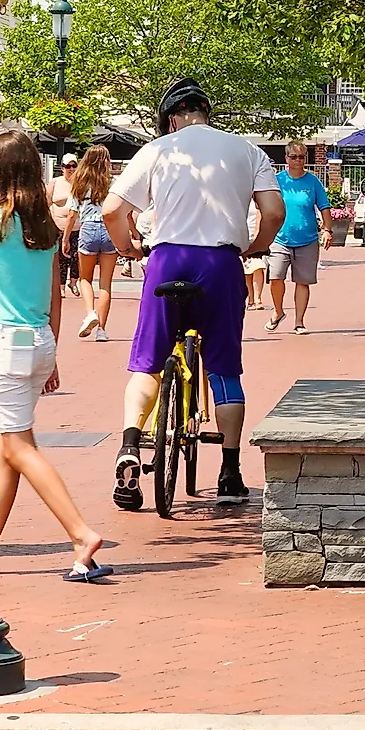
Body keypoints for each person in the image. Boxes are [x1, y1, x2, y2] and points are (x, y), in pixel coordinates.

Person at [104, 78, 284, 509]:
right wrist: (256, 246)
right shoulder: (247, 151)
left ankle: (130, 444)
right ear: (207, 113)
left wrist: (128, 248)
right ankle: (229, 471)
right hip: (220, 264)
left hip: (168, 259)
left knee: (147, 363)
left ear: (170, 120)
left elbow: (113, 209)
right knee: (224, 369)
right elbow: (274, 211)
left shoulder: (158, 150)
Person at [0, 131, 109, 581]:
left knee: (19, 446)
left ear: (0, 173)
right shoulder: (42, 222)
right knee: (4, 448)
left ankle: (81, 533)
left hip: (6, 343)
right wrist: (54, 354)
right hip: (39, 338)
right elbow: (54, 297)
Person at [267, 140, 334, 333]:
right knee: (276, 277)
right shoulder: (278, 180)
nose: (298, 160)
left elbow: (324, 207)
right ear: (286, 158)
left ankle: (299, 322)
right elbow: (267, 207)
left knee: (302, 281)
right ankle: (278, 312)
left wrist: (327, 230)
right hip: (280, 238)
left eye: (302, 157)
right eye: (294, 156)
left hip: (308, 239)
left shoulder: (312, 181)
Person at [64, 145, 118, 339]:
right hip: (109, 229)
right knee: (105, 283)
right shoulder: (113, 182)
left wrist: (65, 238)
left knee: (85, 278)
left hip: (88, 229)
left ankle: (90, 313)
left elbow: (72, 214)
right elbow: (121, 210)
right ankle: (102, 330)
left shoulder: (79, 181)